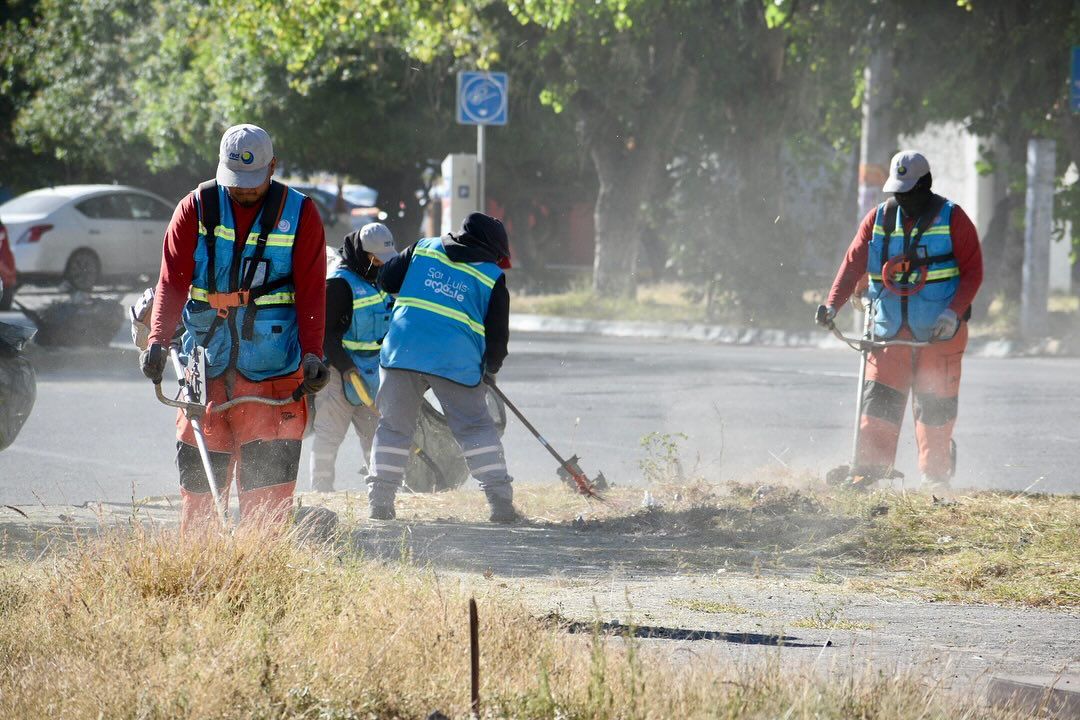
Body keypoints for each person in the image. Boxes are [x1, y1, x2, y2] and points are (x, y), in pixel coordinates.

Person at [139, 124, 330, 531]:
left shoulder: (300, 214)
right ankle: (199, 570)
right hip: (205, 365)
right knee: (201, 484)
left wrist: (314, 352)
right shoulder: (195, 208)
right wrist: (157, 339)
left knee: (268, 495)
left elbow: (313, 290)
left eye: (252, 183)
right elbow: (171, 281)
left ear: (273, 167)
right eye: (235, 182)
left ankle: (261, 570)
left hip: (272, 372)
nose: (243, 191)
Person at [817, 150, 983, 493]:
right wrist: (831, 305)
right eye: (898, 192)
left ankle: (935, 479)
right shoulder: (878, 219)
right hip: (888, 331)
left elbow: (973, 272)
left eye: (909, 191)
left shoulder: (953, 218)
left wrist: (953, 313)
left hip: (939, 334)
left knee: (935, 408)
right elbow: (852, 265)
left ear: (926, 185)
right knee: (879, 403)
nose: (902, 198)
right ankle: (869, 474)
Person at [365, 212, 513, 521]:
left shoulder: (423, 248)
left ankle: (380, 502)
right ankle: (500, 503)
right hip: (456, 362)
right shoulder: (491, 276)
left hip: (402, 352)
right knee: (474, 428)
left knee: (393, 427)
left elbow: (386, 279)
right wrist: (490, 369)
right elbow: (497, 337)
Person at [309, 223, 397, 492]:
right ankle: (322, 491)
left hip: (373, 370)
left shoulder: (379, 280)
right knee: (329, 435)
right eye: (377, 259)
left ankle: (379, 491)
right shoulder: (338, 284)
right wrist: (346, 367)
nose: (382, 264)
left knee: (376, 435)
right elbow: (324, 334)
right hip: (340, 370)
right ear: (363, 254)